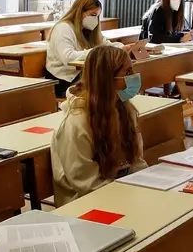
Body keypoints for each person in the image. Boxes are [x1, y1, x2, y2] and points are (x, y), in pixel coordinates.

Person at [51, 45, 146, 206]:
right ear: (107, 80)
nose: (134, 77)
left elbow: (136, 161)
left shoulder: (125, 109)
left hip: (119, 192)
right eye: (127, 73)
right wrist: (128, 196)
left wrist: (148, 186)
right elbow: (87, 184)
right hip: (85, 204)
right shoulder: (77, 122)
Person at [45, 0, 125, 98]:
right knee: (105, 82)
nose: (95, 19)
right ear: (80, 12)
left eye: (97, 15)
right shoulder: (63, 28)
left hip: (81, 74)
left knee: (114, 77)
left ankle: (116, 106)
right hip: (63, 79)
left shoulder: (88, 30)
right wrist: (95, 52)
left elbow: (106, 44)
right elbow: (67, 57)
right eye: (92, 14)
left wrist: (122, 48)